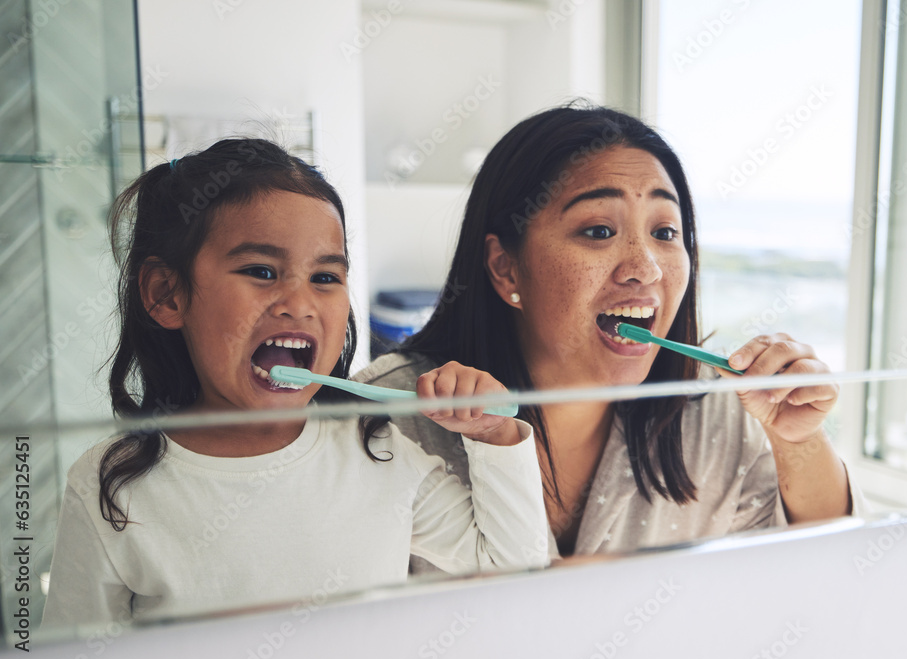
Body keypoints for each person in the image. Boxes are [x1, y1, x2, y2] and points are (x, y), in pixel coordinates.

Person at [42, 139, 548, 628]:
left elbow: (511, 566)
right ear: (167, 293)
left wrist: (494, 437)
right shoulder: (111, 485)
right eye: (262, 270)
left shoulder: (379, 452)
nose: (300, 303)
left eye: (326, 278)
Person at [355, 105, 863, 562]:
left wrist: (797, 440)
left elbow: (826, 570)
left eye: (666, 233)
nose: (646, 268)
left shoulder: (716, 411)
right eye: (599, 231)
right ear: (506, 267)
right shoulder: (390, 415)